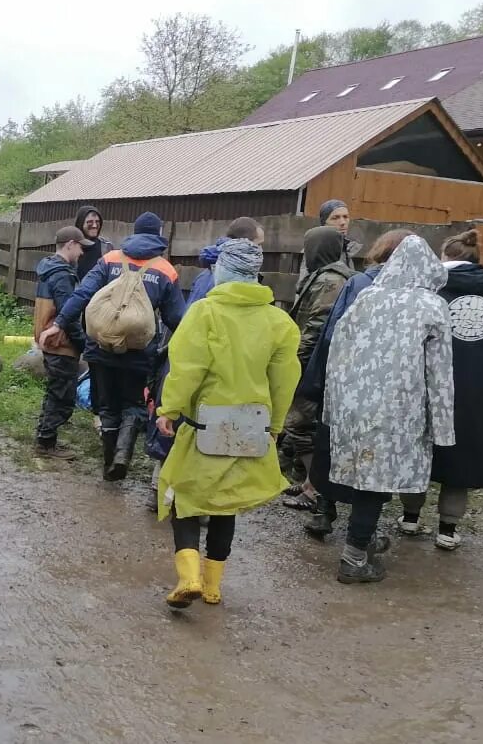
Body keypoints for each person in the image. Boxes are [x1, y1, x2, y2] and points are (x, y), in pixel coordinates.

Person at [154, 239, 299, 608]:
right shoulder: (279, 322)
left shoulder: (205, 312)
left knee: (181, 497)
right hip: (252, 425)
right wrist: (276, 425)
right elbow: (283, 381)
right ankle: (213, 585)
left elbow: (187, 368)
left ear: (223, 269)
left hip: (204, 422)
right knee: (225, 504)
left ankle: (189, 577)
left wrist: (168, 410)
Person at [324, 236, 455, 584]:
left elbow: (336, 353)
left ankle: (362, 540)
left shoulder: (366, 296)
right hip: (400, 408)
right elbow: (440, 373)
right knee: (377, 483)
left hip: (353, 402)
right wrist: (443, 428)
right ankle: (353, 558)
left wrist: (332, 408)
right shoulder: (432, 306)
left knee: (362, 474)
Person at [41, 212, 186, 481]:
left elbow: (83, 294)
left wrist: (59, 324)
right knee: (133, 404)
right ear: (158, 233)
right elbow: (175, 317)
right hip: (139, 352)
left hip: (101, 348)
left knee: (106, 406)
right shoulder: (165, 269)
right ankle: (123, 455)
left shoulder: (110, 259)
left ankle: (109, 464)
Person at [398, 230, 483, 550]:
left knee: (420, 453)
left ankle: (410, 517)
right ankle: (447, 530)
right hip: (475, 394)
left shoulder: (430, 288)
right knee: (460, 461)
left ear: (444, 257)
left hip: (426, 388)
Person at [298, 230, 414, 537]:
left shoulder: (359, 283)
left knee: (332, 444)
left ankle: (324, 511)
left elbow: (332, 334)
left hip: (344, 382)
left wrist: (318, 378)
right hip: (388, 390)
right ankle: (364, 531)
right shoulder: (416, 294)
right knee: (375, 456)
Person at [280, 227, 353, 506]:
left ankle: (315, 490)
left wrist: (296, 360)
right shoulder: (329, 276)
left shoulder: (330, 281)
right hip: (319, 362)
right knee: (306, 425)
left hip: (314, 364)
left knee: (300, 424)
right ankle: (311, 483)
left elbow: (316, 323)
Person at [32, 226, 92, 460]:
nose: (82, 253)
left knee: (55, 392)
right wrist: (84, 343)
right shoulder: (62, 275)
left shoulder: (49, 269)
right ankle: (46, 444)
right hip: (61, 343)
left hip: (51, 341)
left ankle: (45, 439)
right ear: (69, 244)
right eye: (80, 247)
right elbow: (68, 314)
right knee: (62, 396)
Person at [185, 216, 266, 306]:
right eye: (258, 244)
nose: (261, 250)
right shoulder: (226, 277)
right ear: (243, 244)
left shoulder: (211, 272)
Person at [317, 199, 362, 267]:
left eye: (345, 217)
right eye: (335, 218)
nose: (343, 222)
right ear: (324, 223)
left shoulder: (346, 249)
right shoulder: (316, 251)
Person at [74, 205, 114, 277]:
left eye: (97, 222)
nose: (94, 225)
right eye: (90, 222)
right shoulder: (72, 245)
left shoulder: (106, 247)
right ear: (80, 223)